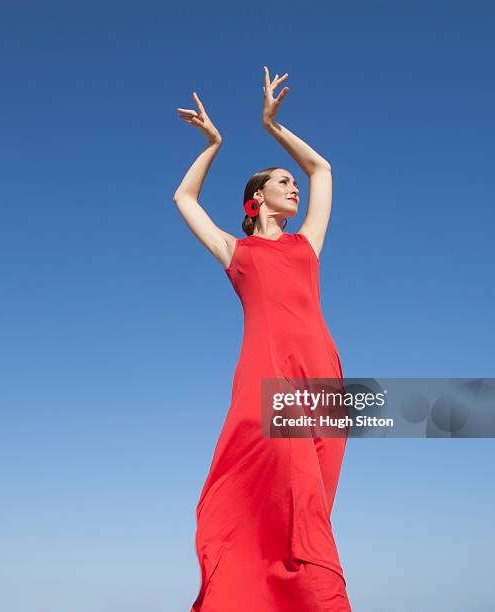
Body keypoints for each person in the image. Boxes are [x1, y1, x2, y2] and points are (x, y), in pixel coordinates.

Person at [173, 66, 352, 612]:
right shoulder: (238, 253)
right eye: (281, 181)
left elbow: (321, 169)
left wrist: (273, 125)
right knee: (286, 496)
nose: (293, 186)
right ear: (256, 198)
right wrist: (213, 144)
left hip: (324, 379)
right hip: (268, 381)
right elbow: (184, 198)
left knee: (313, 505)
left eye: (290, 182)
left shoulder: (307, 246)